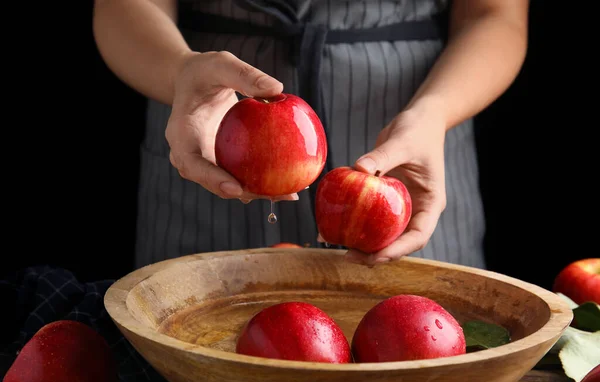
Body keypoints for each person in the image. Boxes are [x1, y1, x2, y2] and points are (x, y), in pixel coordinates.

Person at [92, 0, 529, 270]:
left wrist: (434, 113)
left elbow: (496, 15)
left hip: (418, 133)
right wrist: (179, 72)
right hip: (203, 132)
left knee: (411, 350)